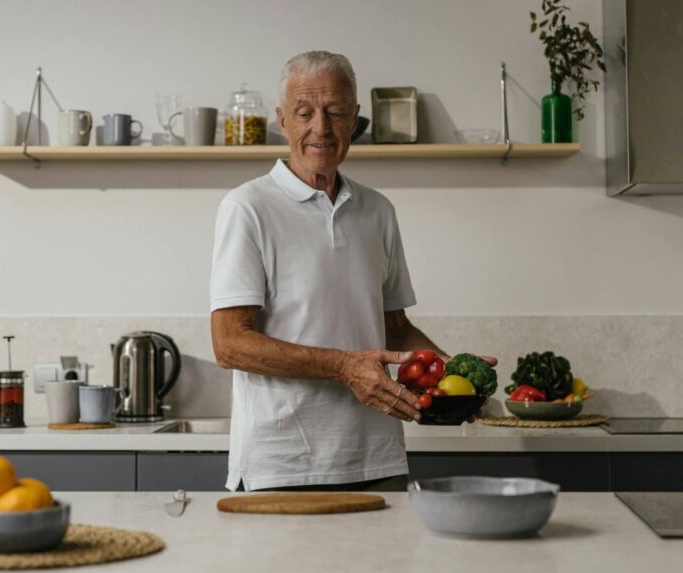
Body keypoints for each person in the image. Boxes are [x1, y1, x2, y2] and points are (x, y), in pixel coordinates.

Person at [210, 50, 494, 492]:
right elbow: (229, 344)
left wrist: (456, 374)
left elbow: (393, 328)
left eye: (335, 112)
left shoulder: (378, 210)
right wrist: (345, 367)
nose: (320, 127)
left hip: (378, 460)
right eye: (305, 112)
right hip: (282, 466)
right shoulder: (247, 207)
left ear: (354, 120)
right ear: (282, 120)